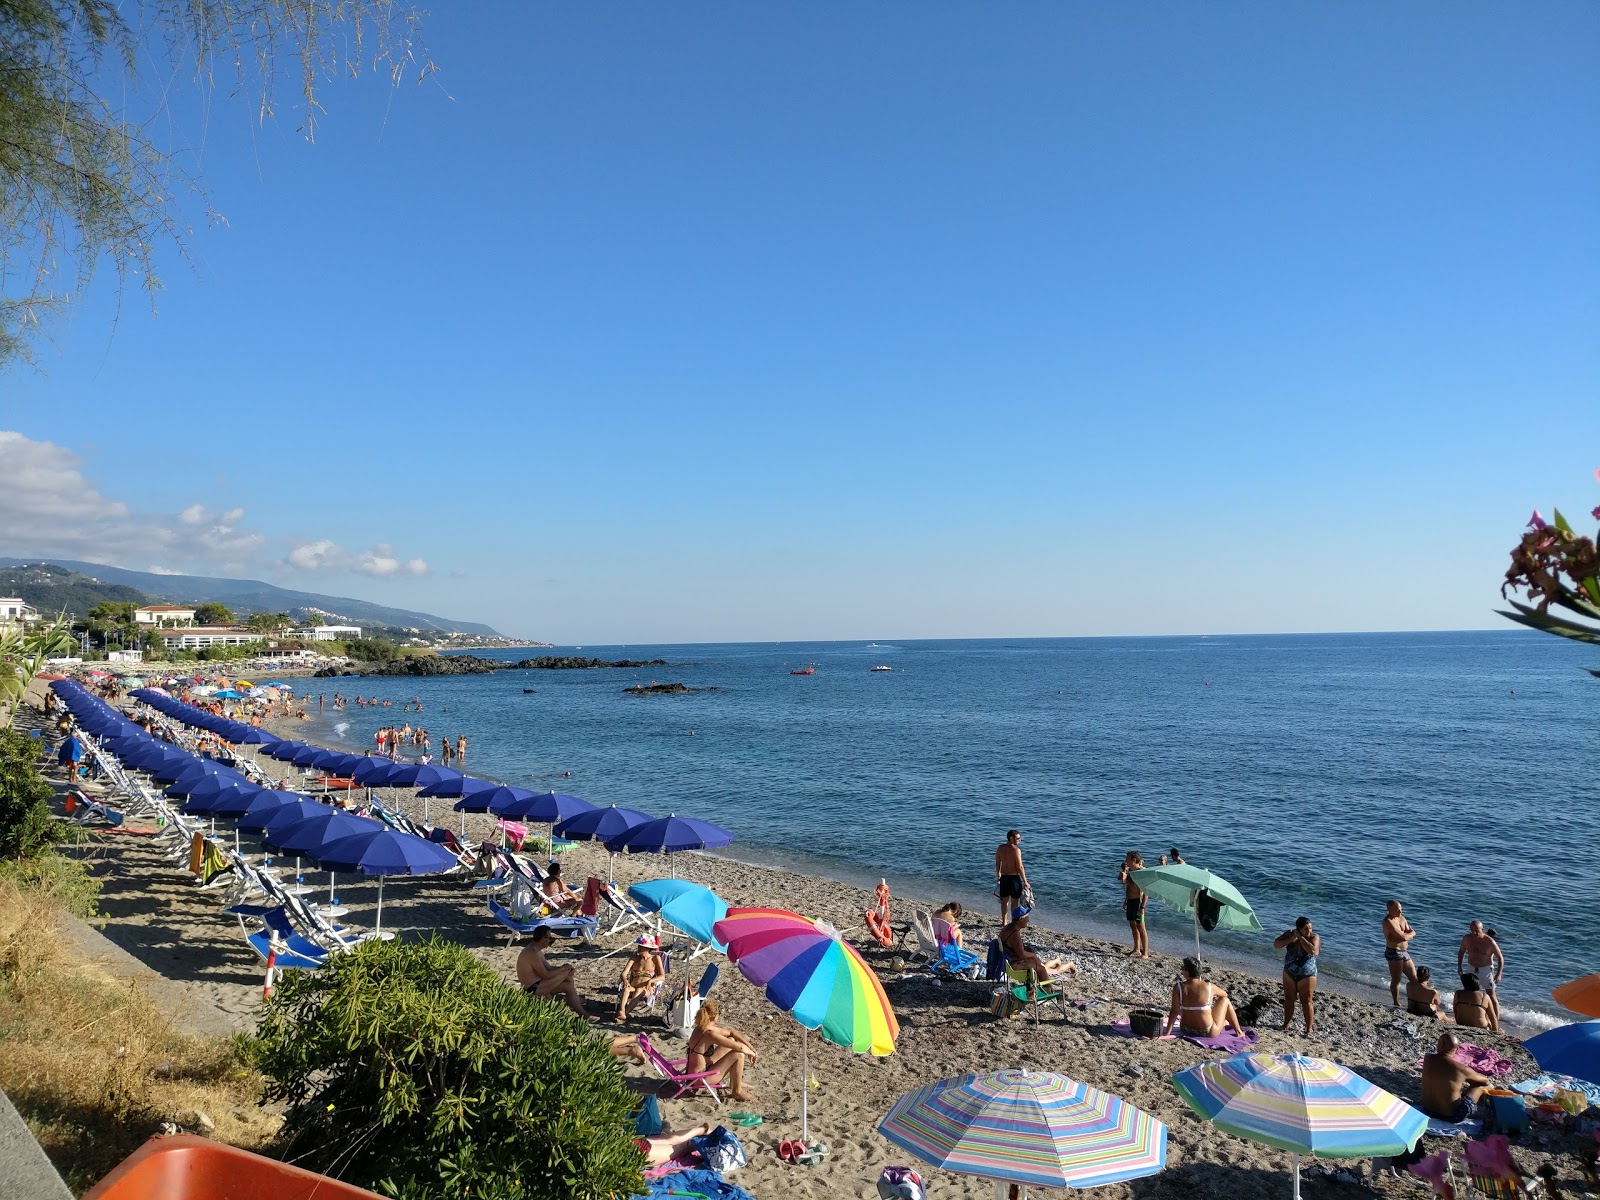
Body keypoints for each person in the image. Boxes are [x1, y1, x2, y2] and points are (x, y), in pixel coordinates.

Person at [685, 999, 758, 1102]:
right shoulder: (710, 1034)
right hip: (699, 1079)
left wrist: (751, 1047)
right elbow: (740, 1048)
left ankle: (737, 1081)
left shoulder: (701, 1028)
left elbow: (731, 1033)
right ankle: (737, 1091)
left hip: (696, 1071)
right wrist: (752, 1053)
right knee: (739, 1054)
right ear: (715, 1016)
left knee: (731, 1041)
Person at [515, 927, 594, 1020]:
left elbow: (549, 968)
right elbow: (546, 975)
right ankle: (575, 1001)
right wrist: (564, 969)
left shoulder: (535, 949)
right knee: (566, 974)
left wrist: (564, 968)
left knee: (568, 985)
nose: (551, 940)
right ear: (542, 939)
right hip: (532, 988)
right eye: (550, 938)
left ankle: (581, 1012)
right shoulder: (532, 952)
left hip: (538, 984)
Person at [1164, 956, 1244, 1038]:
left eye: (1182, 968)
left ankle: (1226, 1023)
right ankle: (1238, 1031)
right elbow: (1224, 995)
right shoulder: (1209, 987)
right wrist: (1208, 999)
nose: (1182, 970)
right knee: (1225, 1000)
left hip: (1185, 1028)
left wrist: (1167, 1032)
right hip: (1207, 1032)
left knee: (1222, 1019)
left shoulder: (1178, 987)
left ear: (1187, 971)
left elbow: (1174, 1011)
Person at [1421, 1031, 1493, 1121]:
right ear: (1456, 1049)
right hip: (1451, 1116)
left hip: (1426, 1109)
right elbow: (1485, 1081)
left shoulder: (1428, 1058)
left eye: (1438, 1043)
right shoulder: (1461, 1069)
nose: (1436, 1046)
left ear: (1442, 1045)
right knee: (1482, 1086)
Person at [999, 911, 1074, 985]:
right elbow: (1022, 954)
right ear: (1021, 919)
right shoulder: (1015, 933)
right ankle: (1069, 965)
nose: (1028, 920)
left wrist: (1028, 951)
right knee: (1046, 969)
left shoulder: (1009, 927)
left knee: (1041, 966)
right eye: (1027, 918)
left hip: (1008, 960)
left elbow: (1014, 947)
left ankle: (1056, 961)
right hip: (1012, 963)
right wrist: (1032, 955)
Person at [1274, 916, 1320, 1035]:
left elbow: (1313, 951)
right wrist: (1291, 939)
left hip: (1307, 974)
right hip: (1289, 972)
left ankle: (1309, 1029)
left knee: (1306, 1001)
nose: (1309, 931)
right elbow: (1277, 944)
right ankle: (1286, 1024)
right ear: (1298, 929)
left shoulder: (1314, 937)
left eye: (1310, 928)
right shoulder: (1290, 934)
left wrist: (1300, 937)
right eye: (1305, 929)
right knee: (1289, 999)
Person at [617, 935, 667, 1021]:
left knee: (639, 990)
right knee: (626, 989)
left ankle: (625, 1014)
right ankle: (622, 1011)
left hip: (646, 989)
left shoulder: (655, 958)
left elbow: (662, 976)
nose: (638, 948)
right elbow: (624, 973)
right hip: (633, 986)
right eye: (639, 946)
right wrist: (625, 980)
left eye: (641, 946)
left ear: (647, 948)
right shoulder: (634, 958)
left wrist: (651, 980)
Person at [1382, 899, 1419, 1006]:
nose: (1400, 912)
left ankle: (1414, 1001)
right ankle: (1396, 1002)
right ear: (1390, 909)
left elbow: (1408, 933)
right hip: (1394, 951)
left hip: (1404, 951)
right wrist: (1410, 934)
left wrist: (1408, 935)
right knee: (1396, 979)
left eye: (1401, 909)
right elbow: (1402, 936)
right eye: (1398, 910)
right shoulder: (1388, 921)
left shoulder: (1402, 918)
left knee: (1414, 979)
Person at [1457, 921, 1505, 997]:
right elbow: (1461, 952)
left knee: (1491, 995)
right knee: (1469, 992)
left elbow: (1500, 958)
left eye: (1477, 931)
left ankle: (1494, 1009)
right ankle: (1471, 1008)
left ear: (1482, 929)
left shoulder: (1490, 942)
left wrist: (1499, 974)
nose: (1474, 933)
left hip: (1485, 970)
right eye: (1472, 931)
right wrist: (1459, 966)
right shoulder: (1467, 938)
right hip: (1471, 968)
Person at [635, 1124, 714, 1168]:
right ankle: (703, 1129)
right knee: (668, 1141)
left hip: (637, 1150)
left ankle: (704, 1132)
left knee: (679, 1148)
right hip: (632, 1144)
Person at [994, 829, 1029, 925]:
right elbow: (1020, 867)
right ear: (1011, 838)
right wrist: (1025, 881)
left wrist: (999, 875)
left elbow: (997, 863)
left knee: (1004, 902)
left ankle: (1004, 922)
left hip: (1004, 878)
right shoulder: (1016, 850)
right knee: (1014, 902)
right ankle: (1014, 921)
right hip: (1014, 879)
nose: (1019, 840)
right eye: (1017, 838)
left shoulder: (1000, 848)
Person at [1118, 851, 1149, 959]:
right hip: (1130, 901)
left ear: (1134, 860)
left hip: (1138, 901)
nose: (1126, 860)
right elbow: (1128, 887)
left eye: (1127, 859)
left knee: (1141, 926)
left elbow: (1146, 892)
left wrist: (1142, 907)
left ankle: (1145, 953)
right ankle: (1136, 948)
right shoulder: (1130, 871)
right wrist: (1126, 900)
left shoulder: (1142, 873)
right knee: (1133, 926)